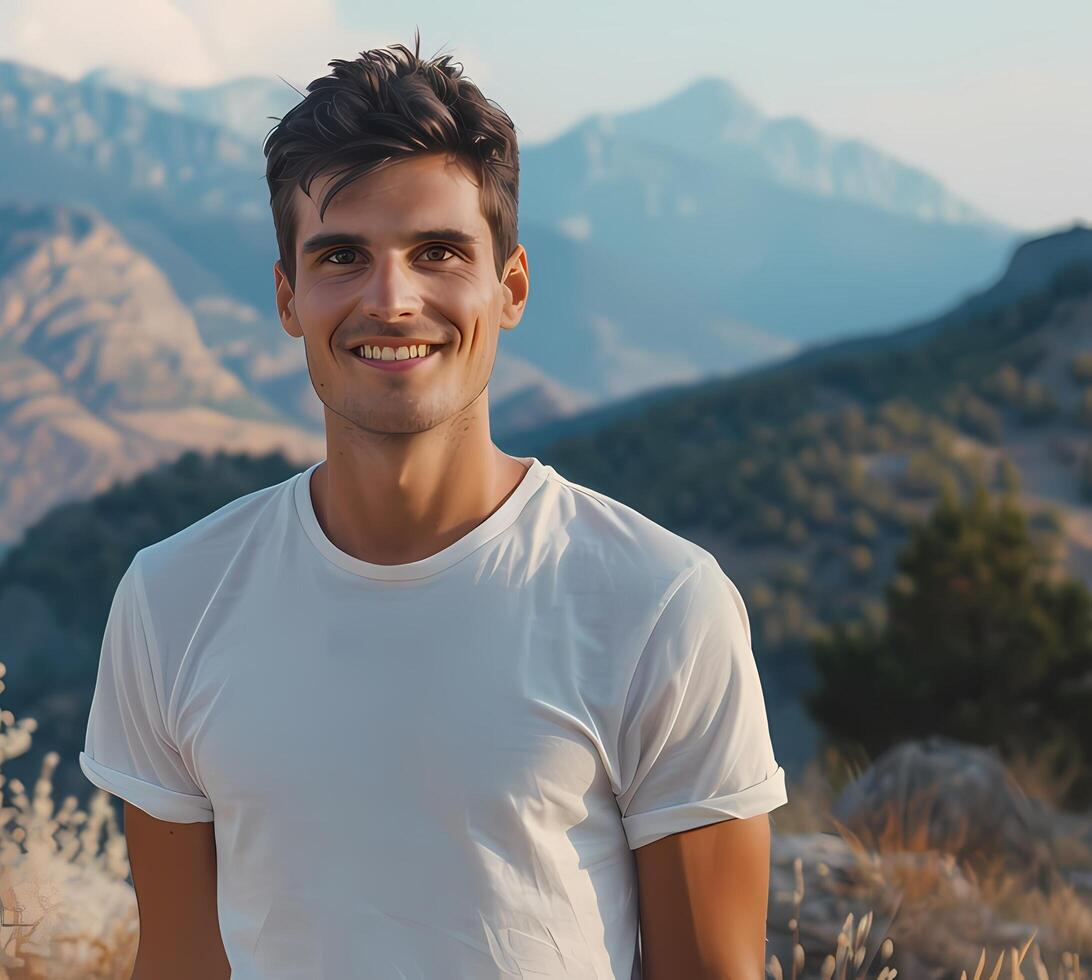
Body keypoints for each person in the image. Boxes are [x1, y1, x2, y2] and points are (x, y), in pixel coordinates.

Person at [80, 32, 786, 980]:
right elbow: (177, 965)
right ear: (289, 298)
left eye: (440, 251)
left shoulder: (659, 604)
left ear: (512, 288)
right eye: (340, 257)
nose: (392, 297)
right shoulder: (173, 599)